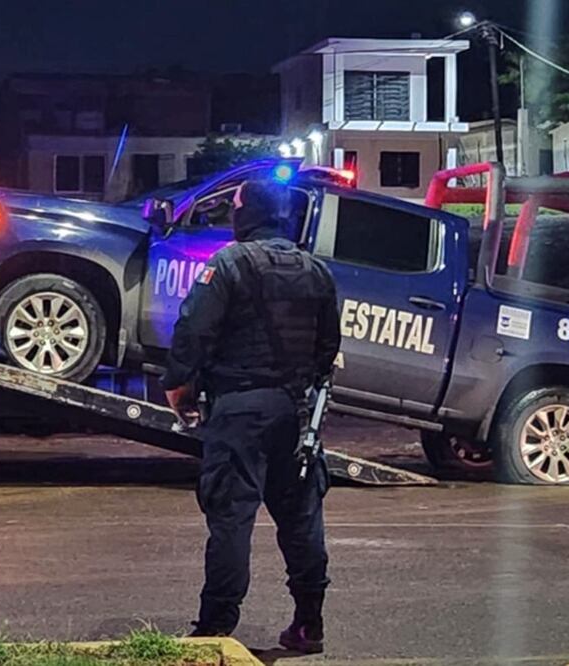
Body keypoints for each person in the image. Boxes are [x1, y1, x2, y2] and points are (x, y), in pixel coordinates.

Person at [161, 178, 341, 652]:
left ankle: (215, 628)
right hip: (296, 414)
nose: (231, 215)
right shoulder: (317, 272)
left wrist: (179, 387)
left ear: (250, 215)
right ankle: (309, 624)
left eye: (236, 206)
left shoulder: (229, 264)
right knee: (301, 521)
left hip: (240, 410)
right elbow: (328, 349)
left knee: (231, 519)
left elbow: (193, 331)